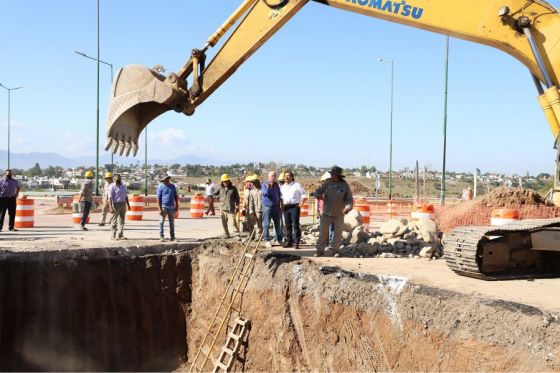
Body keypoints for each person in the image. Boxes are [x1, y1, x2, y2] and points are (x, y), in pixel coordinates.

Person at [313, 166, 353, 257]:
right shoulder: (327, 183)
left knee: (338, 233)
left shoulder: (344, 185)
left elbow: (349, 200)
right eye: (331, 174)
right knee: (323, 232)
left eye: (333, 174)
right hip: (326, 213)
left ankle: (335, 251)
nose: (331, 175)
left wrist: (348, 207)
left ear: (337, 175)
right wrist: (320, 196)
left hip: (339, 213)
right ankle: (320, 251)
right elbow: (316, 192)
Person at [280, 171, 306, 249]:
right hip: (286, 207)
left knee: (295, 225)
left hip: (294, 207)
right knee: (287, 225)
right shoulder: (283, 187)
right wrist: (281, 206)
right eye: (285, 176)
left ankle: (297, 243)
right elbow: (281, 198)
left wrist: (301, 204)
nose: (287, 177)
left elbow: (304, 194)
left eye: (288, 176)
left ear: (292, 177)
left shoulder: (297, 185)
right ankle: (289, 242)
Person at [213, 173, 240, 239]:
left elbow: (237, 198)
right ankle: (226, 234)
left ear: (229, 181)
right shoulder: (219, 188)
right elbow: (214, 194)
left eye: (227, 181)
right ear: (222, 182)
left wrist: (237, 206)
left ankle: (236, 234)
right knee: (224, 223)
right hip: (222, 208)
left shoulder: (233, 188)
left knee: (233, 222)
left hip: (231, 208)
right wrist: (218, 198)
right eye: (224, 181)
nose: (226, 182)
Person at [261, 170, 283, 248]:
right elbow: (266, 193)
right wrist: (269, 187)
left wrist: (280, 205)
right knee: (266, 224)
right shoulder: (264, 184)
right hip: (268, 207)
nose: (273, 177)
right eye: (272, 176)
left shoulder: (276, 185)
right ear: (268, 177)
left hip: (276, 207)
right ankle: (267, 240)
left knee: (277, 224)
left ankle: (278, 239)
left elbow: (279, 194)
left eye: (274, 176)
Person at [108, 174, 130, 240]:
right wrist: (110, 207)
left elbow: (126, 196)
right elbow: (109, 198)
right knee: (114, 221)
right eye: (117, 179)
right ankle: (113, 235)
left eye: (119, 179)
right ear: (114, 179)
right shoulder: (111, 186)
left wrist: (128, 205)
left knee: (121, 221)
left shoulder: (123, 186)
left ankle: (120, 234)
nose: (118, 180)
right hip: (115, 204)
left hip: (123, 204)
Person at [157, 175, 179, 241]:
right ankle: (161, 236)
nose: (166, 180)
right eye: (165, 179)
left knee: (171, 222)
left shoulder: (172, 186)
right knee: (161, 222)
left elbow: (176, 196)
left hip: (171, 207)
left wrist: (177, 205)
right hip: (163, 207)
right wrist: (160, 209)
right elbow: (158, 199)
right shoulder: (160, 187)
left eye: (167, 179)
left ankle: (172, 237)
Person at [247, 174, 263, 240]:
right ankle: (259, 236)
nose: (254, 183)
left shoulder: (263, 189)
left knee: (266, 224)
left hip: (264, 209)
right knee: (258, 224)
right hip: (257, 210)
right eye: (253, 182)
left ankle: (265, 236)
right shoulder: (252, 191)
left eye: (255, 181)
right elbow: (251, 202)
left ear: (258, 181)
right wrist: (251, 210)